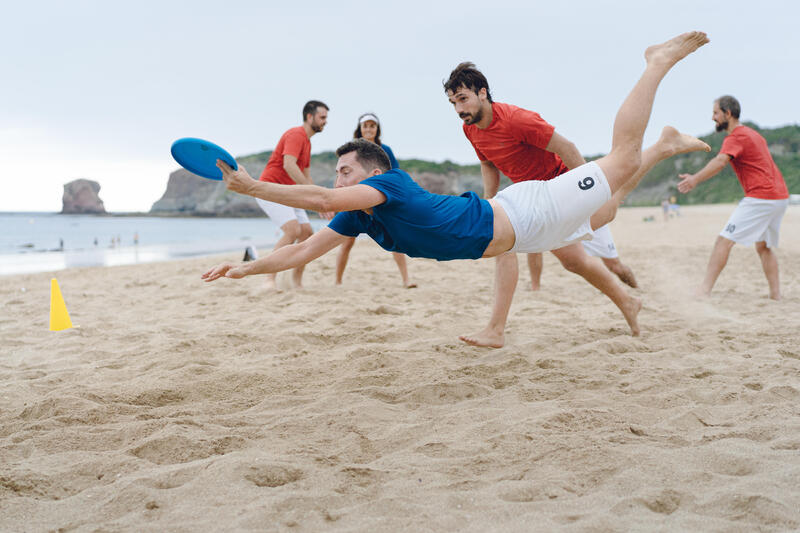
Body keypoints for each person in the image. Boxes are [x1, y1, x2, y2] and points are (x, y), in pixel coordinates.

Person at [202, 32, 711, 344]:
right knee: (603, 218)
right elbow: (300, 252)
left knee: (618, 161)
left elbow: (320, 199)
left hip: (530, 209)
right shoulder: (358, 216)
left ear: (373, 172)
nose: (338, 179)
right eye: (337, 172)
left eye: (345, 170)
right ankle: (662, 152)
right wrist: (244, 268)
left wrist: (252, 188)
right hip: (516, 225)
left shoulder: (390, 186)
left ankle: (655, 63)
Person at [444, 63, 650, 347]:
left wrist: (590, 191)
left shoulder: (517, 120)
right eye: (453, 102)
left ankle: (495, 329)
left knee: (507, 244)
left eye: (463, 99)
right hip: (533, 196)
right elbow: (487, 163)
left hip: (561, 188)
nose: (458, 109)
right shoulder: (471, 129)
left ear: (482, 93)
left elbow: (567, 148)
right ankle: (628, 301)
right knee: (573, 261)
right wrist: (488, 203)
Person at [677, 95, 789, 300]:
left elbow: (720, 162)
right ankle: (776, 295)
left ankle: (703, 291)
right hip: (780, 197)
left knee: (724, 241)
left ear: (728, 113)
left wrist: (694, 179)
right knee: (763, 246)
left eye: (715, 113)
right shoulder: (754, 135)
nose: (713, 118)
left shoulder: (737, 137)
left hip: (761, 197)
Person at [334, 113, 416, 288]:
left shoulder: (385, 150)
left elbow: (395, 174)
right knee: (347, 241)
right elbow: (341, 174)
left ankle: (406, 280)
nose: (369, 129)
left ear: (377, 129)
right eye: (365, 126)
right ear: (360, 129)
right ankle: (337, 281)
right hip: (354, 198)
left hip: (379, 200)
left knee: (395, 238)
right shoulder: (351, 151)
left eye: (372, 126)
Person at [256, 100, 329, 290]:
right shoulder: (296, 134)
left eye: (326, 118)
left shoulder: (307, 142)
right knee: (293, 231)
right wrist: (311, 193)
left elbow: (306, 176)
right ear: (309, 116)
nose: (325, 122)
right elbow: (289, 165)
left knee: (306, 233)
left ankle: (295, 281)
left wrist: (321, 201)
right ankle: (269, 279)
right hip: (270, 189)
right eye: (322, 117)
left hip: (288, 192)